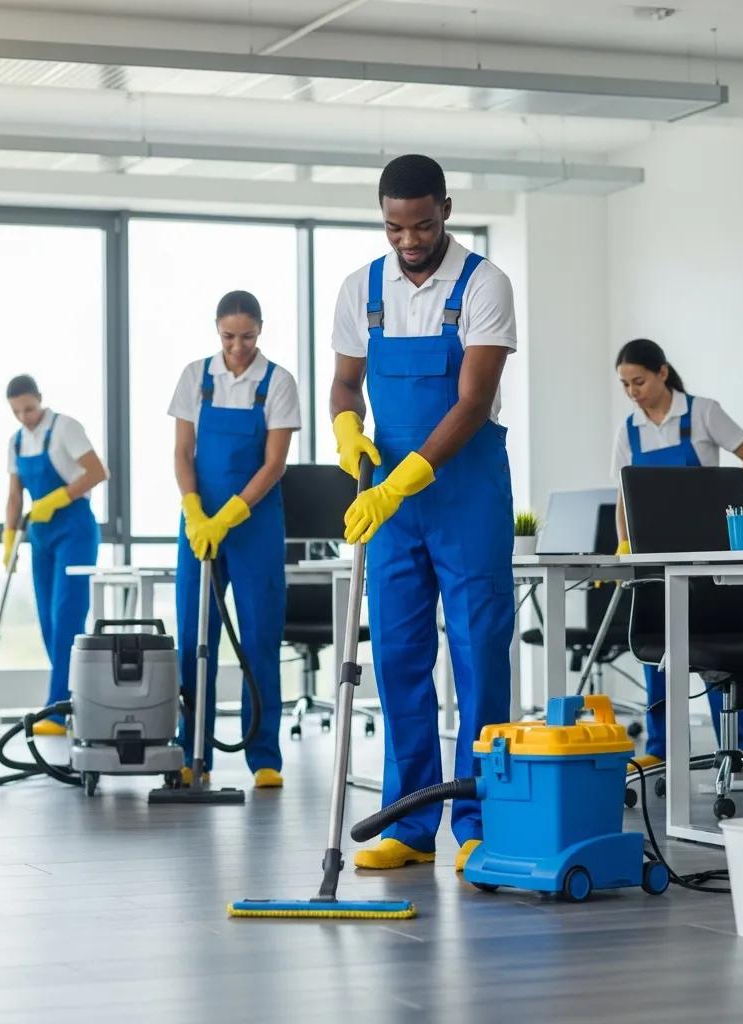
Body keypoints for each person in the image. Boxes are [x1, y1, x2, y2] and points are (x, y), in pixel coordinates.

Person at [330, 154, 517, 870]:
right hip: (391, 504)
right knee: (399, 656)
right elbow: (345, 383)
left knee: (479, 655)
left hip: (465, 493)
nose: (409, 240)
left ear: (446, 209)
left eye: (422, 225)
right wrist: (347, 431)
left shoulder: (484, 284)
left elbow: (473, 401)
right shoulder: (361, 287)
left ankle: (480, 821)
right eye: (394, 228)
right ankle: (409, 827)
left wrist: (403, 478)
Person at [613, 338, 743, 769]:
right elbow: (623, 494)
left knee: (717, 645)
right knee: (657, 651)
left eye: (639, 381)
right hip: (654, 562)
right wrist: (624, 543)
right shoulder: (629, 429)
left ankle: (742, 745)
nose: (633, 392)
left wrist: (724, 507)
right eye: (625, 385)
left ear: (662, 372)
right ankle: (660, 748)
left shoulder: (702, 412)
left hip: (708, 557)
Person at [170, 290, 300, 788]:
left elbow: (274, 464)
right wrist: (194, 510)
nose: (238, 347)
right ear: (217, 331)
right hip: (200, 524)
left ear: (260, 329)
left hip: (255, 527)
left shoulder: (277, 382)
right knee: (193, 640)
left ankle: (263, 756)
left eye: (247, 336)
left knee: (260, 639)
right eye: (228, 337)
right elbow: (182, 451)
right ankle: (192, 752)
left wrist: (230, 515)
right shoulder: (195, 377)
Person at [4, 375, 108, 736]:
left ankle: (56, 712)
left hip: (75, 529)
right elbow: (15, 495)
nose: (25, 417)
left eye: (29, 409)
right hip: (41, 535)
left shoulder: (65, 428)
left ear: (40, 399)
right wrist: (9, 537)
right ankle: (77, 702)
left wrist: (59, 497)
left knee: (67, 617)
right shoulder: (16, 442)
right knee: (48, 621)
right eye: (17, 412)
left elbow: (98, 472)